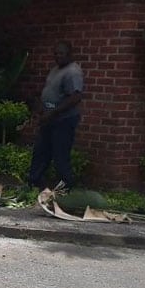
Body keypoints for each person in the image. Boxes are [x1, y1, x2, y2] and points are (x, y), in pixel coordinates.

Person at [27, 41, 84, 190]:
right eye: (56, 53)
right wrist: (41, 107)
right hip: (49, 119)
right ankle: (34, 183)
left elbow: (75, 97)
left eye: (62, 53)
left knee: (60, 155)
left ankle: (66, 188)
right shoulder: (55, 69)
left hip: (63, 120)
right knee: (40, 151)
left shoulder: (73, 72)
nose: (58, 56)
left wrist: (52, 113)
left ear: (70, 54)